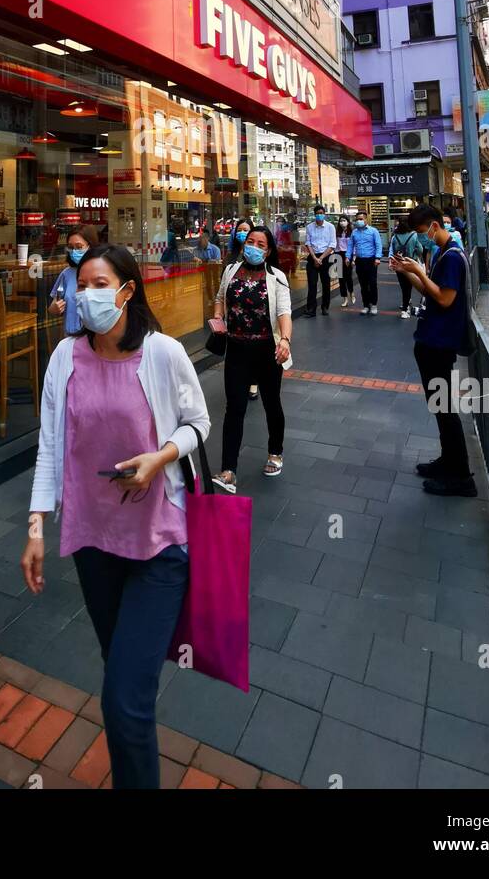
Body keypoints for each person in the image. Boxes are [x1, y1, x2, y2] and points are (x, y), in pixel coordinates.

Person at [21, 245, 210, 791]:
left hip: (159, 545)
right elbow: (49, 447)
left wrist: (161, 457)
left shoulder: (163, 353)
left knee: (123, 702)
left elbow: (198, 423)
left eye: (99, 284)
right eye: (82, 285)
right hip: (93, 544)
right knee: (123, 681)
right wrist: (36, 527)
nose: (87, 295)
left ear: (128, 291)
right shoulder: (64, 358)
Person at [389, 205, 476, 498]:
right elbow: (429, 291)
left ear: (434, 226)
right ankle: (448, 460)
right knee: (439, 407)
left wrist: (417, 271)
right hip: (430, 338)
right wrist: (409, 272)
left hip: (440, 341)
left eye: (421, 232)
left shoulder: (452, 256)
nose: (421, 237)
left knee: (445, 408)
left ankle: (461, 475)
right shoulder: (442, 253)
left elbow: (445, 298)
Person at [210, 226, 292, 493]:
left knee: (271, 403)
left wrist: (285, 340)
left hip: (267, 351)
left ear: (268, 250)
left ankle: (275, 452)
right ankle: (228, 470)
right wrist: (218, 317)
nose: (254, 246)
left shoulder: (276, 277)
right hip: (235, 349)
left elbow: (284, 313)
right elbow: (220, 297)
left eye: (261, 243)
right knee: (234, 408)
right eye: (251, 241)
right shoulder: (231, 270)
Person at [228, 217, 259, 401]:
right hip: (234, 313)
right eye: (239, 229)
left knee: (253, 349)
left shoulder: (255, 254)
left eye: (246, 229)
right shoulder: (231, 256)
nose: (242, 232)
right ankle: (239, 380)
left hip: (253, 311)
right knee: (238, 351)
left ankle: (254, 381)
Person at [49, 226, 99, 336]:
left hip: (96, 338)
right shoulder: (66, 274)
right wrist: (56, 308)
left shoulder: (101, 272)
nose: (74, 251)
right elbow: (53, 306)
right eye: (71, 247)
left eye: (79, 247)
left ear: (90, 247)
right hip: (71, 336)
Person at [347, 210, 383, 315]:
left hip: (371, 260)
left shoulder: (373, 231)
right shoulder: (354, 232)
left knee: (372, 283)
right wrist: (347, 257)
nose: (359, 221)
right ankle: (366, 305)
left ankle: (374, 305)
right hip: (359, 261)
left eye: (361, 219)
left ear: (366, 219)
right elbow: (350, 246)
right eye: (357, 219)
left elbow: (378, 245)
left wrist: (378, 258)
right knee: (363, 285)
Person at [303, 204, 337, 317]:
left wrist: (321, 258)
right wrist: (314, 258)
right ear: (314, 214)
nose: (319, 215)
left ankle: (325, 307)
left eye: (321, 213)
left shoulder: (330, 227)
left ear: (324, 214)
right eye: (317, 213)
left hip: (326, 257)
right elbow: (308, 243)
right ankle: (311, 309)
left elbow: (332, 245)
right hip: (313, 257)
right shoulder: (309, 227)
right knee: (312, 284)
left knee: (326, 283)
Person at [389, 219, 427, 318]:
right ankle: (405, 309)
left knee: (403, 286)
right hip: (410, 263)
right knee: (409, 286)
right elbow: (420, 250)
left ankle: (406, 305)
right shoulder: (414, 235)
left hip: (399, 263)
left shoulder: (395, 236)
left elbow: (393, 249)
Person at [335, 216, 355, 308]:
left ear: (348, 222)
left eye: (344, 221)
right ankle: (345, 298)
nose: (342, 222)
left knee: (348, 276)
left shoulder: (352, 232)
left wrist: (353, 258)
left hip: (348, 255)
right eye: (341, 221)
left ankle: (351, 292)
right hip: (339, 254)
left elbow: (355, 246)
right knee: (341, 278)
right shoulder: (337, 232)